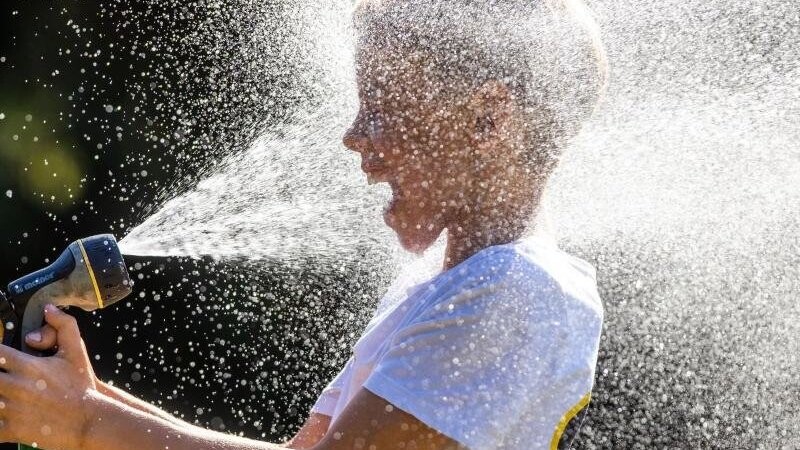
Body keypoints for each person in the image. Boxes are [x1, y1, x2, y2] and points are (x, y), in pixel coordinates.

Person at [0, 0, 607, 448]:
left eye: (383, 106)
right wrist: (80, 398)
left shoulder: (514, 289)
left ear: (487, 121)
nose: (352, 136)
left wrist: (84, 420)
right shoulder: (441, 286)